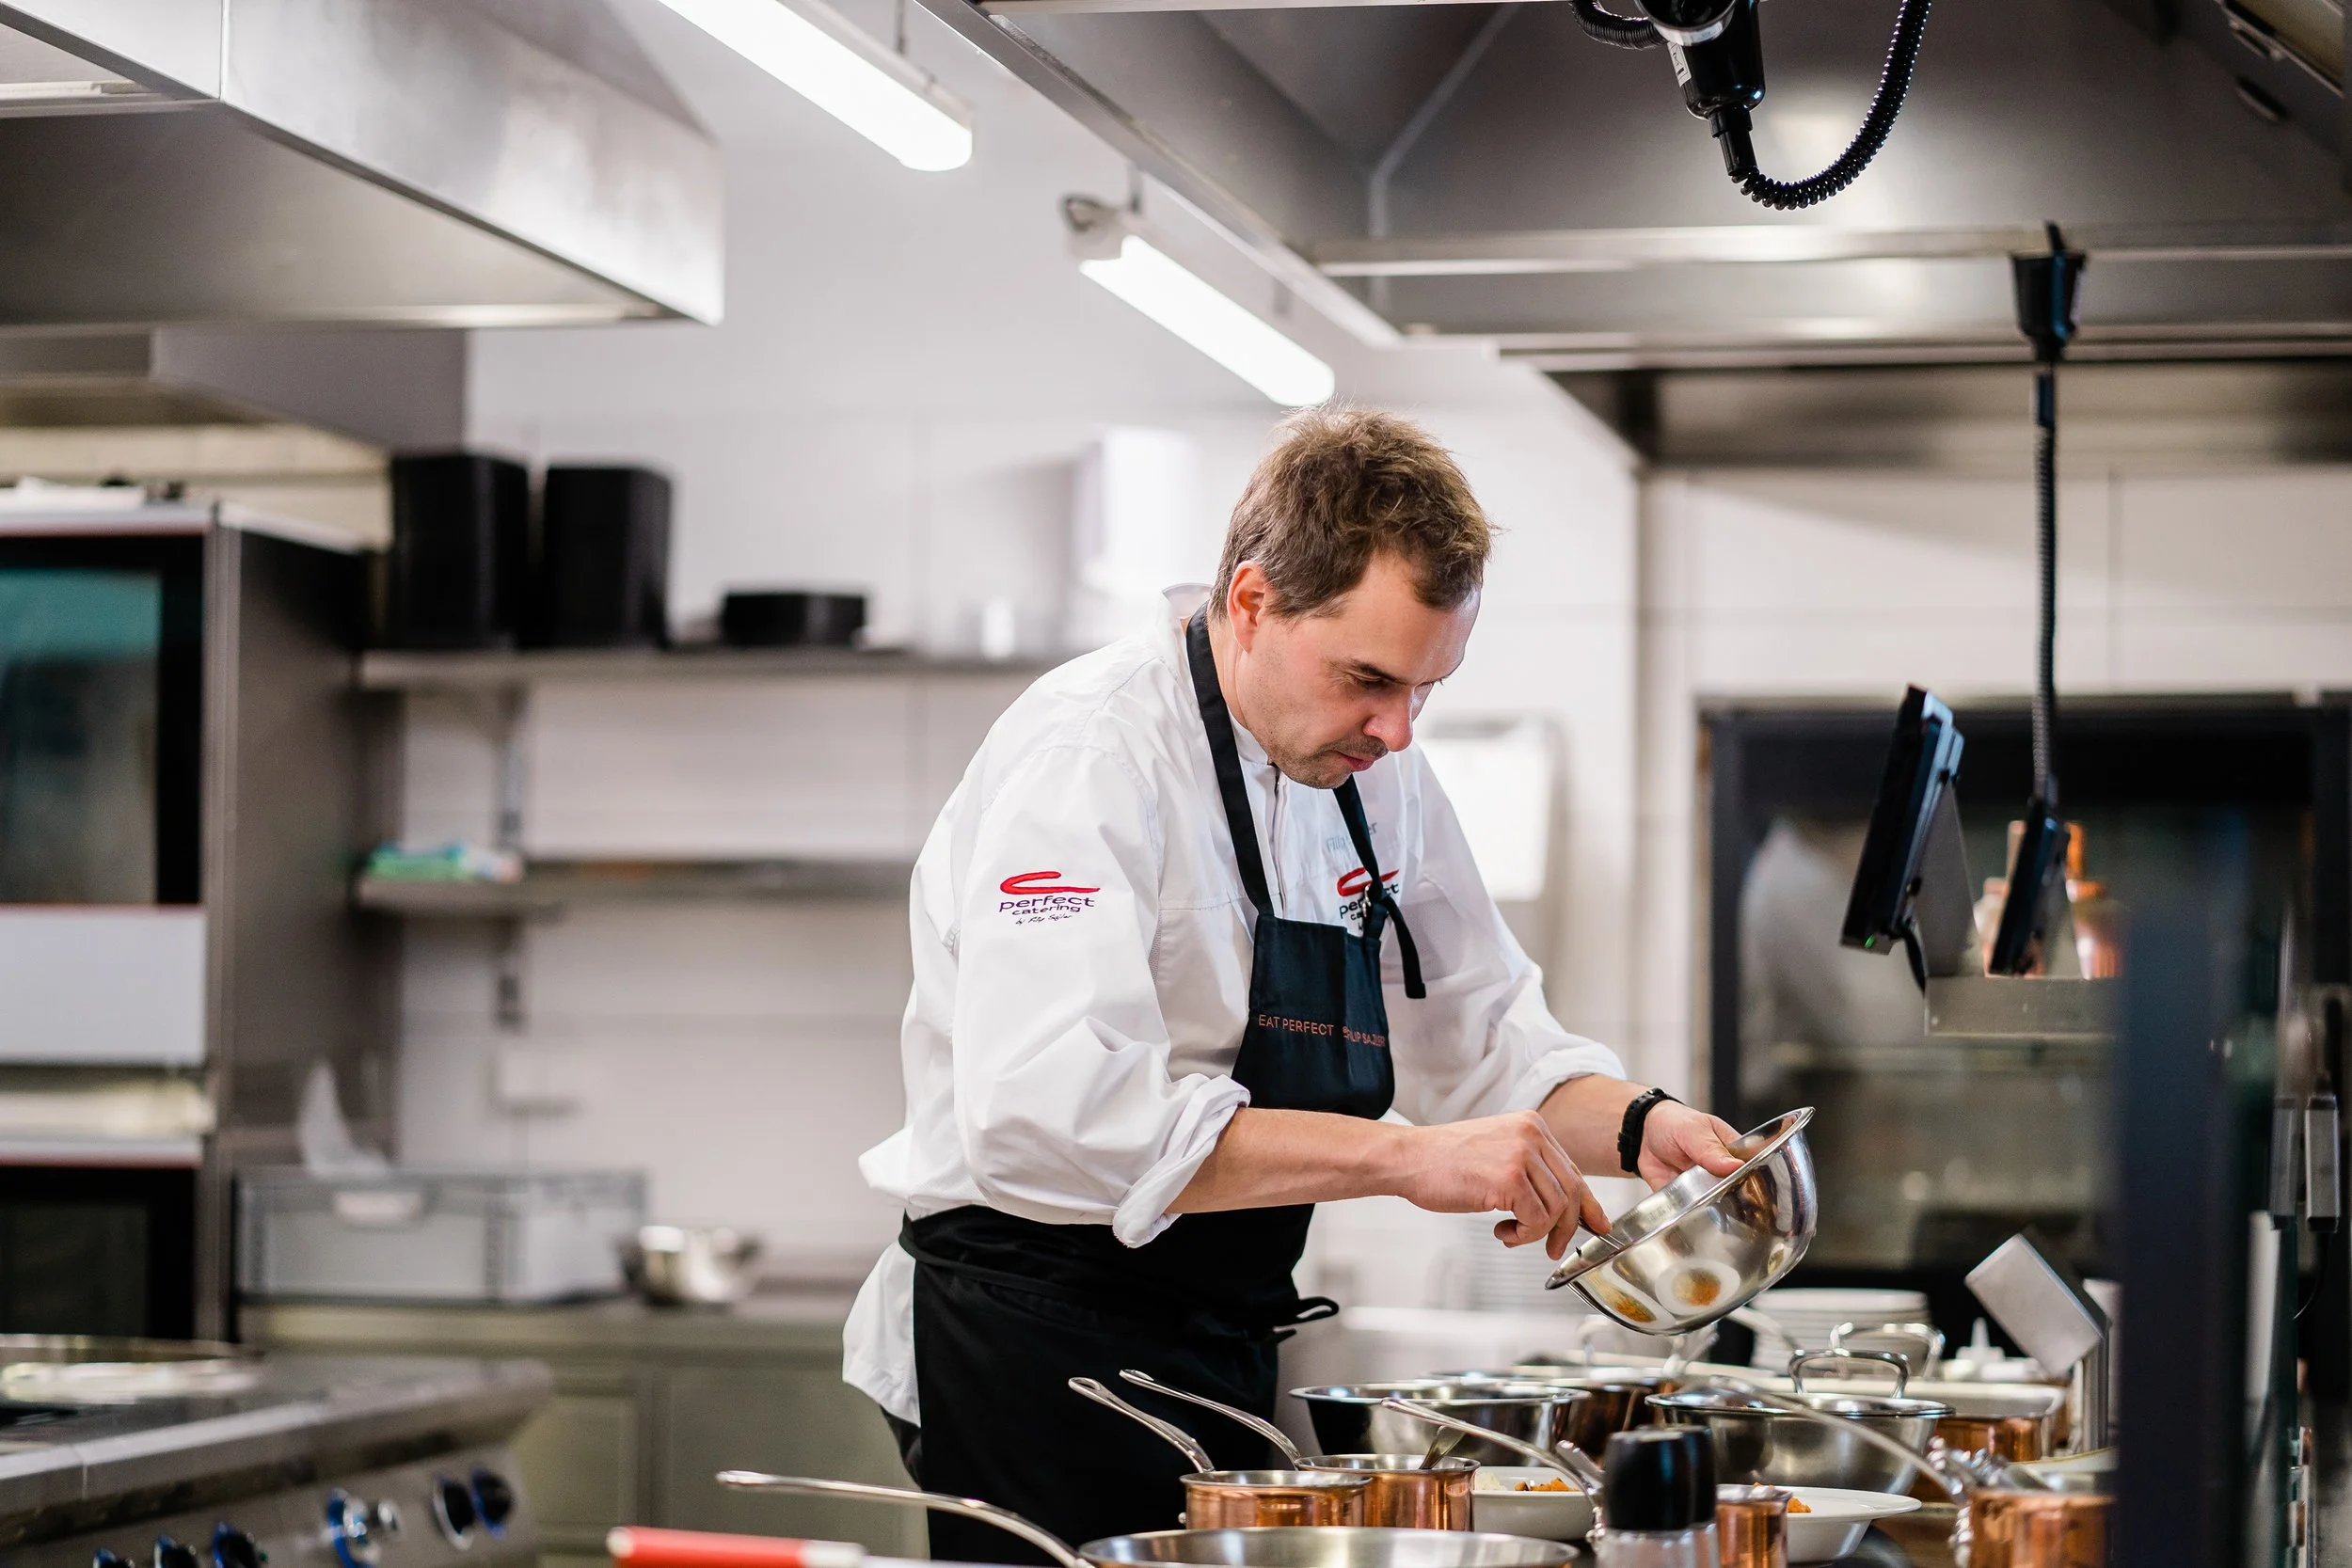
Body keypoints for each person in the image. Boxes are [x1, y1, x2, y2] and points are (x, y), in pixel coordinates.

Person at [842, 407, 1742, 1560]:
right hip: (1029, 1337)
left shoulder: (1377, 776)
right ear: (1253, 601)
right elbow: (1048, 1117)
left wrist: (1644, 1124)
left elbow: (1482, 1037)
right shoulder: (1088, 754)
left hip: (1221, 1328)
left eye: (1427, 685)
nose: (1398, 727)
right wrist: (1408, 1160)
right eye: (1369, 677)